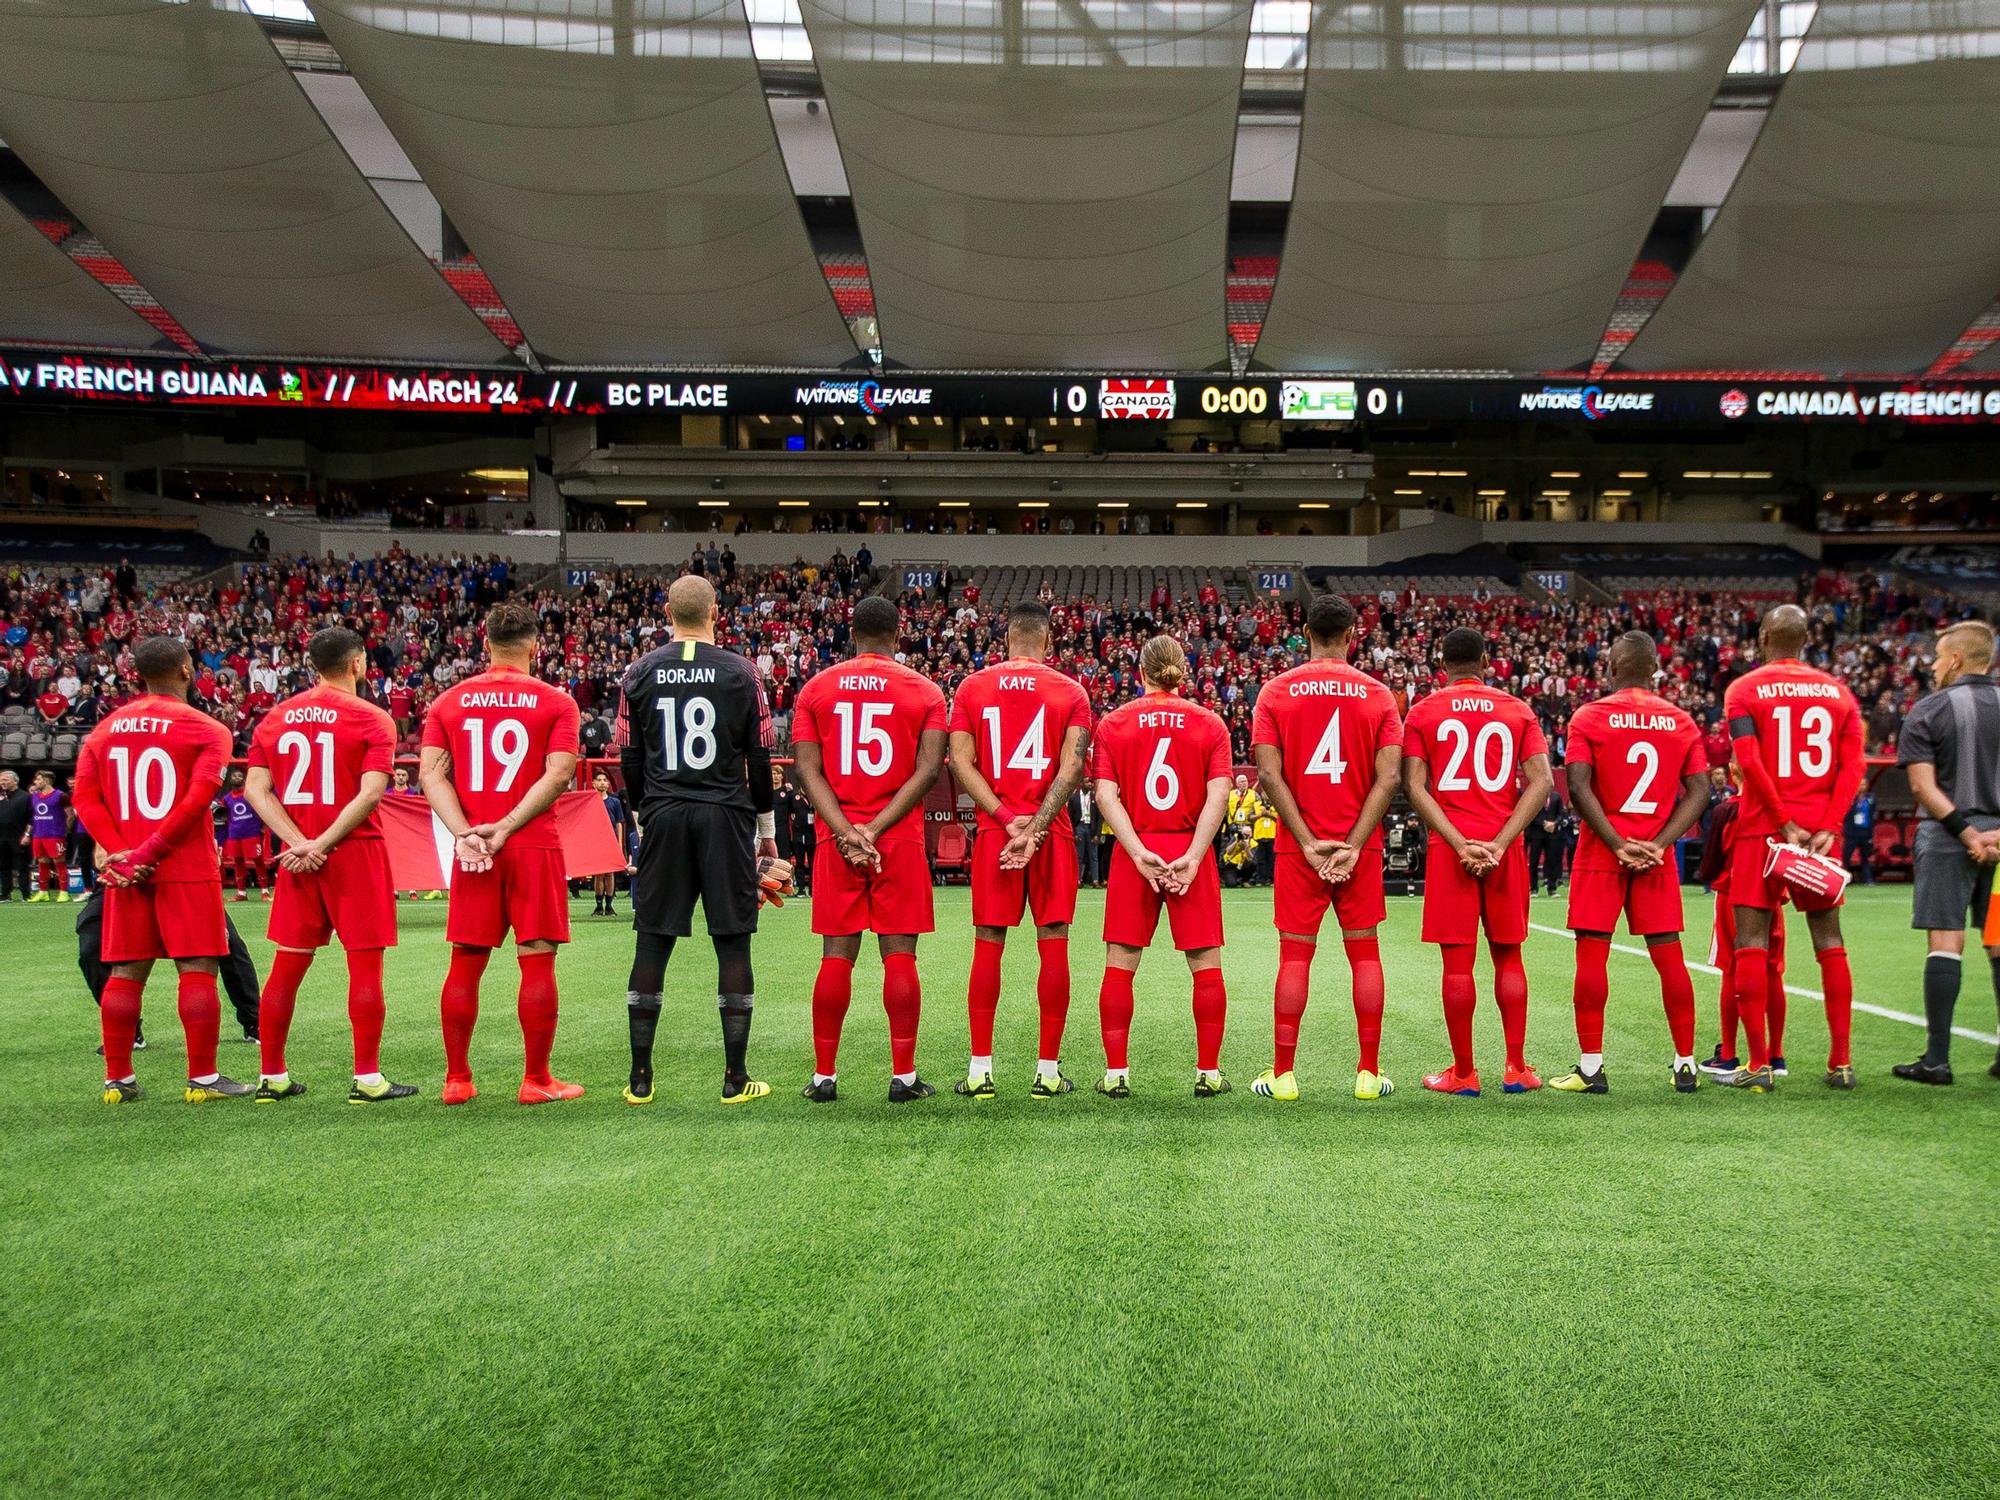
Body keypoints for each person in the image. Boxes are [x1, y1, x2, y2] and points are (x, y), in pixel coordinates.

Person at [615, 574, 782, 1107]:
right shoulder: (743, 672)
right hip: (725, 816)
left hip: (664, 812)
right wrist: (767, 831)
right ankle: (735, 1078)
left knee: (652, 939)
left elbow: (629, 757)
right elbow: (759, 757)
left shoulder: (638, 672)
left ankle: (641, 1078)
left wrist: (645, 812)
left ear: (667, 611)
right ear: (716, 612)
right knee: (732, 940)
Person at [72, 635, 247, 1104]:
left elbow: (84, 798)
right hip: (182, 864)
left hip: (126, 869)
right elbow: (196, 800)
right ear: (188, 671)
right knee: (197, 968)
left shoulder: (104, 730)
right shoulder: (208, 729)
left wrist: (118, 850)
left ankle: (118, 1080)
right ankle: (204, 1080)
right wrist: (151, 851)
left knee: (126, 971)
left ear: (137, 675)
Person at [242, 627, 414, 1105]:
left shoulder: (274, 719)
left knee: (287, 966)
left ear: (312, 665)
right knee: (364, 967)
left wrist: (299, 842)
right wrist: (322, 842)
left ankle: (272, 1076)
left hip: (297, 858)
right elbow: (372, 792)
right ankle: (368, 1077)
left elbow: (256, 790)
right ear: (358, 663)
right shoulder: (374, 718)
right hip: (354, 851)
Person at [421, 601, 584, 1106]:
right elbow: (558, 774)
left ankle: (457, 1080)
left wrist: (465, 832)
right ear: (536, 646)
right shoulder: (557, 702)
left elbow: (430, 774)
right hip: (530, 842)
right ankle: (536, 1080)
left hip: (473, 848)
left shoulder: (448, 701)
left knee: (465, 963)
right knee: (537, 962)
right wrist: (507, 826)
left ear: (483, 642)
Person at [789, 595, 948, 1102]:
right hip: (896, 836)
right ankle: (903, 1077)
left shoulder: (816, 689)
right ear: (899, 636)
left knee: (836, 955)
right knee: (899, 955)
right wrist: (876, 829)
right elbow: (928, 771)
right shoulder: (925, 691)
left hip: (836, 836)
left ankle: (824, 1076)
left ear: (850, 633)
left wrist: (845, 831)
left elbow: (807, 769)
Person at [1249, 593, 1402, 1102]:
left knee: (1295, 957)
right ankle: (1367, 1073)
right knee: (1365, 957)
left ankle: (1284, 1075)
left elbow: (1268, 774)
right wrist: (1354, 845)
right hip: (1361, 847)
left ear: (1306, 633)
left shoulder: (1274, 692)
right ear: (1352, 636)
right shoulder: (1379, 695)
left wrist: (1310, 841)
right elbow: (1389, 778)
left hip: (1301, 848)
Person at [946, 599, 1094, 1099]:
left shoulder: (972, 686)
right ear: (1048, 642)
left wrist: (1009, 822)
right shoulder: (1070, 691)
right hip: (1051, 832)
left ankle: (979, 1070)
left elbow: (960, 764)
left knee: (988, 942)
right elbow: (1072, 768)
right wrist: (1037, 828)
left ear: (1005, 639)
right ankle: (1047, 1073)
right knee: (1053, 942)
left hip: (997, 832)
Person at [1717, 603, 1866, 1092]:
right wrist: (1829, 824)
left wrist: (1783, 822)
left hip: (1763, 830)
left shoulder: (1743, 690)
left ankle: (1759, 1064)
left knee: (1751, 947)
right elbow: (1852, 766)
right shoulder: (1839, 693)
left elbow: (1748, 761)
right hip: (1821, 836)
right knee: (1830, 943)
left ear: (1763, 637)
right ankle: (1840, 1061)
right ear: (1806, 639)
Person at [1399, 626, 1554, 1096]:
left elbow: (1414, 786)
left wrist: (1459, 842)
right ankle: (1517, 1068)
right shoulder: (1517, 709)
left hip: (1453, 851)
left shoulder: (1424, 712)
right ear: (1487, 660)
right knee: (1509, 956)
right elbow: (1543, 781)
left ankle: (1464, 1074)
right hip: (1503, 848)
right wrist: (1502, 843)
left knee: (1458, 965)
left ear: (1441, 664)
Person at [1555, 631, 1711, 1093]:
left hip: (1602, 851)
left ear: (1612, 666)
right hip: (1656, 855)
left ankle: (1591, 1067)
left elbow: (1578, 786)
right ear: (1653, 669)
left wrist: (1617, 842)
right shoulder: (1681, 720)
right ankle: (1686, 1064)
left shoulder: (1590, 716)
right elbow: (1700, 790)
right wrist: (1660, 843)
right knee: (1670, 958)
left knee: (1592, 954)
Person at [1088, 636, 1233, 1097]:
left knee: (1120, 965)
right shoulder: (1210, 724)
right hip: (1191, 849)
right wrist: (1192, 854)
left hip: (1137, 849)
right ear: (1183, 674)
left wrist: (1134, 851)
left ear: (1140, 672)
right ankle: (1208, 1074)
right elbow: (1219, 794)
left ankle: (1116, 1074)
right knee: (1206, 965)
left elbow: (1105, 796)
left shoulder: (1113, 723)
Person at [1891, 619, 2000, 1085]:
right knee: (1998, 943)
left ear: (1954, 659)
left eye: (1937, 656)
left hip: (1947, 839)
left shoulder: (1930, 709)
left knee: (1946, 941)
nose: (1934, 665)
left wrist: (1967, 834)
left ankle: (1937, 1059)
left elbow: (1922, 784)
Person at [1694, 779, 1791, 1077]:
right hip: (1773, 895)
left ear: (1735, 771)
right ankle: (1776, 1055)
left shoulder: (1727, 810)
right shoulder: (1782, 811)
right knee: (1772, 972)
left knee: (1732, 970)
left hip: (1733, 895)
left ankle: (1730, 1053)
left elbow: (1710, 864)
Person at [216, 768, 271, 902]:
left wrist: (264, 827)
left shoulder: (250, 795)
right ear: (230, 780)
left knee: (258, 861)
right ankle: (241, 893)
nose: (236, 778)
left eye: (239, 776)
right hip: (234, 835)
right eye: (234, 776)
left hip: (252, 833)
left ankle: (265, 892)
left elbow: (263, 809)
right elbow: (223, 818)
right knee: (238, 863)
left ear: (244, 780)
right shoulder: (226, 799)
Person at [590, 771, 630, 917]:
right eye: (599, 780)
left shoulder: (614, 802)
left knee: (610, 873)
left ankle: (609, 905)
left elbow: (619, 823)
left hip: (611, 840)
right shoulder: (590, 801)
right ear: (593, 783)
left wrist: (619, 843)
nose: (602, 783)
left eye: (604, 780)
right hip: (596, 840)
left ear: (608, 784)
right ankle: (599, 905)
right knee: (599, 874)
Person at [27, 770, 71, 901]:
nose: (36, 782)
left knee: (59, 862)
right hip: (38, 834)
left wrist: (64, 831)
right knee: (42, 863)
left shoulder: (61, 796)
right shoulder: (34, 797)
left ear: (45, 781)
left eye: (38, 779)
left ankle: (64, 891)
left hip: (55, 835)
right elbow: (32, 816)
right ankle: (43, 892)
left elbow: (70, 814)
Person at [1523, 789, 1566, 895]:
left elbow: (1561, 814)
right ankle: (1533, 888)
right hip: (1536, 834)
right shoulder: (1535, 796)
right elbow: (1531, 814)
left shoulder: (1556, 797)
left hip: (1551, 835)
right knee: (1534, 861)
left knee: (1552, 861)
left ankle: (1552, 888)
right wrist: (1544, 824)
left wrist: (1554, 823)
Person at [0, 769, 30, 900]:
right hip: (2, 837)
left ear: (15, 781)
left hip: (19, 836)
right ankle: (6, 894)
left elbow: (31, 818)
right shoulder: (1, 796)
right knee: (3, 866)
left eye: (5, 780)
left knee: (22, 866)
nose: (2, 782)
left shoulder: (25, 796)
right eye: (1, 780)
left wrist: (27, 834)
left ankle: (25, 894)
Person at [1843, 787, 1876, 885]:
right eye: (1860, 784)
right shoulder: (1850, 798)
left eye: (1864, 784)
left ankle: (1868, 879)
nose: (1862, 786)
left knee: (1865, 857)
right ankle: (1843, 878)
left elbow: (1873, 812)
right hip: (1852, 832)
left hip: (1865, 832)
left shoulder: (1870, 798)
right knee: (1846, 856)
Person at [1071, 784, 1102, 888]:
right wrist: (1073, 833)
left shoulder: (1094, 797)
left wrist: (1098, 834)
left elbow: (1099, 817)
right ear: (1081, 782)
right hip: (1079, 826)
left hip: (1091, 828)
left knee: (1094, 856)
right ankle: (1078, 880)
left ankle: (1095, 880)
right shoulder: (1074, 797)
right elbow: (1070, 817)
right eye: (1088, 781)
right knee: (1079, 856)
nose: (1090, 784)